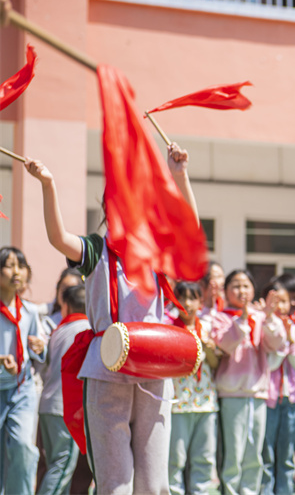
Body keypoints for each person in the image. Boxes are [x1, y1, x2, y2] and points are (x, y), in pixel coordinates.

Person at [25, 143, 197, 494]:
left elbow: (189, 234)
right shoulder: (96, 249)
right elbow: (58, 238)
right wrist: (48, 184)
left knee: (153, 483)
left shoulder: (157, 253)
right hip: (107, 367)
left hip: (153, 370)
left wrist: (180, 177)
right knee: (115, 482)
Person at [212, 269, 284, 495]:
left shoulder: (261, 317)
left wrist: (269, 317)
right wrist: (242, 319)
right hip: (232, 393)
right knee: (233, 453)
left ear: (253, 290)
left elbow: (277, 344)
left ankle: (250, 491)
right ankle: (231, 491)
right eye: (235, 286)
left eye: (245, 286)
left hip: (258, 393)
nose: (241, 291)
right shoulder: (221, 317)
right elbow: (225, 345)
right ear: (226, 291)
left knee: (254, 453)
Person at [167, 281, 220, 495]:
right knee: (175, 458)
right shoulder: (169, 329)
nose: (187, 304)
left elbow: (215, 364)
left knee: (204, 457)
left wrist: (209, 348)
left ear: (200, 302)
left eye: (192, 298)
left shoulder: (207, 327)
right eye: (182, 298)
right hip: (178, 402)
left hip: (205, 402)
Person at [0, 246, 46, 494]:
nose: (16, 272)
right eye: (9, 266)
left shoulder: (29, 311)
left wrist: (40, 347)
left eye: (21, 266)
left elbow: (37, 350)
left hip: (22, 388)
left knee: (23, 447)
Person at [37, 284, 90, 495]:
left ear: (66, 306)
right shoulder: (87, 329)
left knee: (56, 464)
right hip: (65, 408)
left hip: (48, 405)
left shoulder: (59, 330)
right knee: (63, 467)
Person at [262, 282, 295, 495]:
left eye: (284, 301)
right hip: (268, 397)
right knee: (267, 452)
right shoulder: (264, 327)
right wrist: (283, 343)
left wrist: (290, 339)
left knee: (287, 454)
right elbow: (270, 365)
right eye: (276, 301)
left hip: (292, 398)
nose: (280, 306)